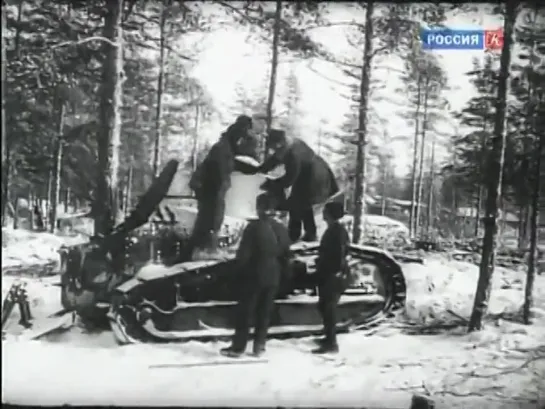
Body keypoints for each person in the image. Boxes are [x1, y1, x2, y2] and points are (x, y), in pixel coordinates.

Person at [220, 193, 292, 358]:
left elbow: (244, 255)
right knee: (264, 313)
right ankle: (259, 346)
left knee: (246, 312)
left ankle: (238, 348)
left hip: (254, 275)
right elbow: (287, 254)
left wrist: (235, 274)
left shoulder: (254, 227)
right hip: (274, 276)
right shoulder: (280, 228)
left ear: (259, 208)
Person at [184, 115, 255, 259]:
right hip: (211, 187)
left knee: (207, 220)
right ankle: (207, 250)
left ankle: (193, 251)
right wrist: (221, 188)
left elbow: (240, 158)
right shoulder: (223, 148)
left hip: (210, 187)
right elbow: (220, 172)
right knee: (212, 219)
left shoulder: (228, 144)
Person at [257, 129, 340, 243]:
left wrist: (270, 184)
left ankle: (296, 235)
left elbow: (289, 180)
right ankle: (305, 234)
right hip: (307, 176)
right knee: (301, 204)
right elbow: (274, 160)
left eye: (273, 147)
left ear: (279, 143)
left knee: (299, 203)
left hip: (315, 177)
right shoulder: (288, 145)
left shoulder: (293, 154)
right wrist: (260, 170)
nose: (272, 150)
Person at [312, 201, 350, 354]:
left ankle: (331, 343)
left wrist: (333, 270)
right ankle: (328, 337)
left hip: (332, 275)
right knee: (324, 306)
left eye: (325, 211)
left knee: (329, 308)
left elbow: (339, 254)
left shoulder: (337, 231)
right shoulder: (335, 229)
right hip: (329, 273)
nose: (323, 213)